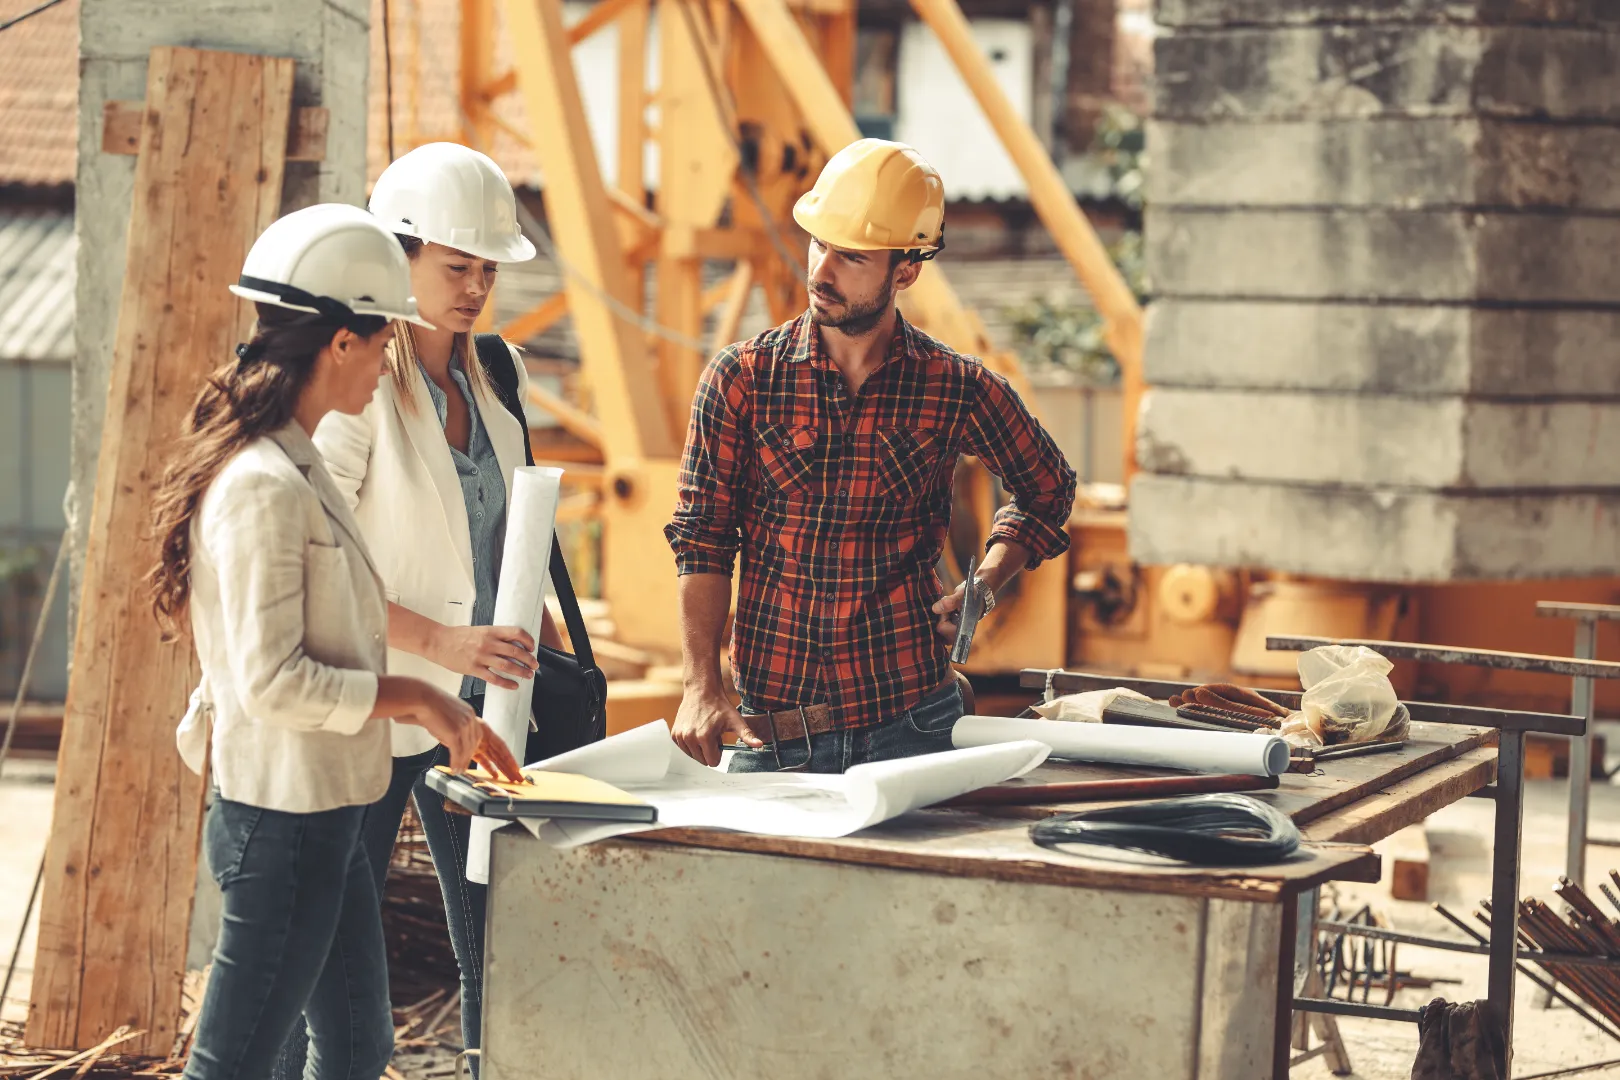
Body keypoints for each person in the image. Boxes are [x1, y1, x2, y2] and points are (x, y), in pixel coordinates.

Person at [150, 203, 521, 1080]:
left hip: (327, 816)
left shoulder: (299, 461)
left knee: (358, 1046)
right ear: (342, 343)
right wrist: (423, 696)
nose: (395, 355)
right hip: (278, 824)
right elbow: (272, 683)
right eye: (384, 334)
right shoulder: (263, 488)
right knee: (235, 1061)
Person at [665, 139, 1078, 774]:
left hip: (915, 728)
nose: (821, 271)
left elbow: (1048, 487)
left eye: (851, 256)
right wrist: (700, 685)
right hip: (773, 740)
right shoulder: (742, 379)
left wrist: (986, 586)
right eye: (817, 243)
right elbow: (704, 539)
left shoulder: (955, 386)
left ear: (905, 271)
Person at [285, 143, 560, 1078]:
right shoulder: (359, 384)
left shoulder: (499, 376)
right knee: (315, 952)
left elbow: (507, 532)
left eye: (487, 267)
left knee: (501, 929)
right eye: (456, 265)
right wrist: (443, 639)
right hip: (380, 700)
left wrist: (537, 631)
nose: (476, 286)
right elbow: (325, 562)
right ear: (398, 254)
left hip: (484, 709)